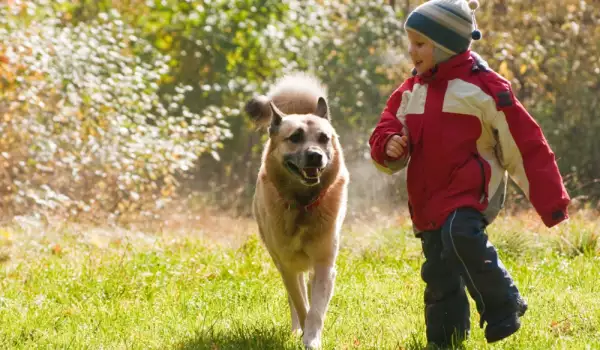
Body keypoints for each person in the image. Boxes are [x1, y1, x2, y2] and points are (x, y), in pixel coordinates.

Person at [368, 0, 571, 347]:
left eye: (420, 43)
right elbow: (386, 126)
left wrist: (550, 202)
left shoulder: (485, 88)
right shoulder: (410, 90)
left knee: (459, 233)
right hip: (427, 198)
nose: (411, 51)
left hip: (472, 190)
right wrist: (388, 144)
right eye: (410, 43)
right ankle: (446, 338)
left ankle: (504, 303)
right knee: (439, 270)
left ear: (445, 44)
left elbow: (525, 144)